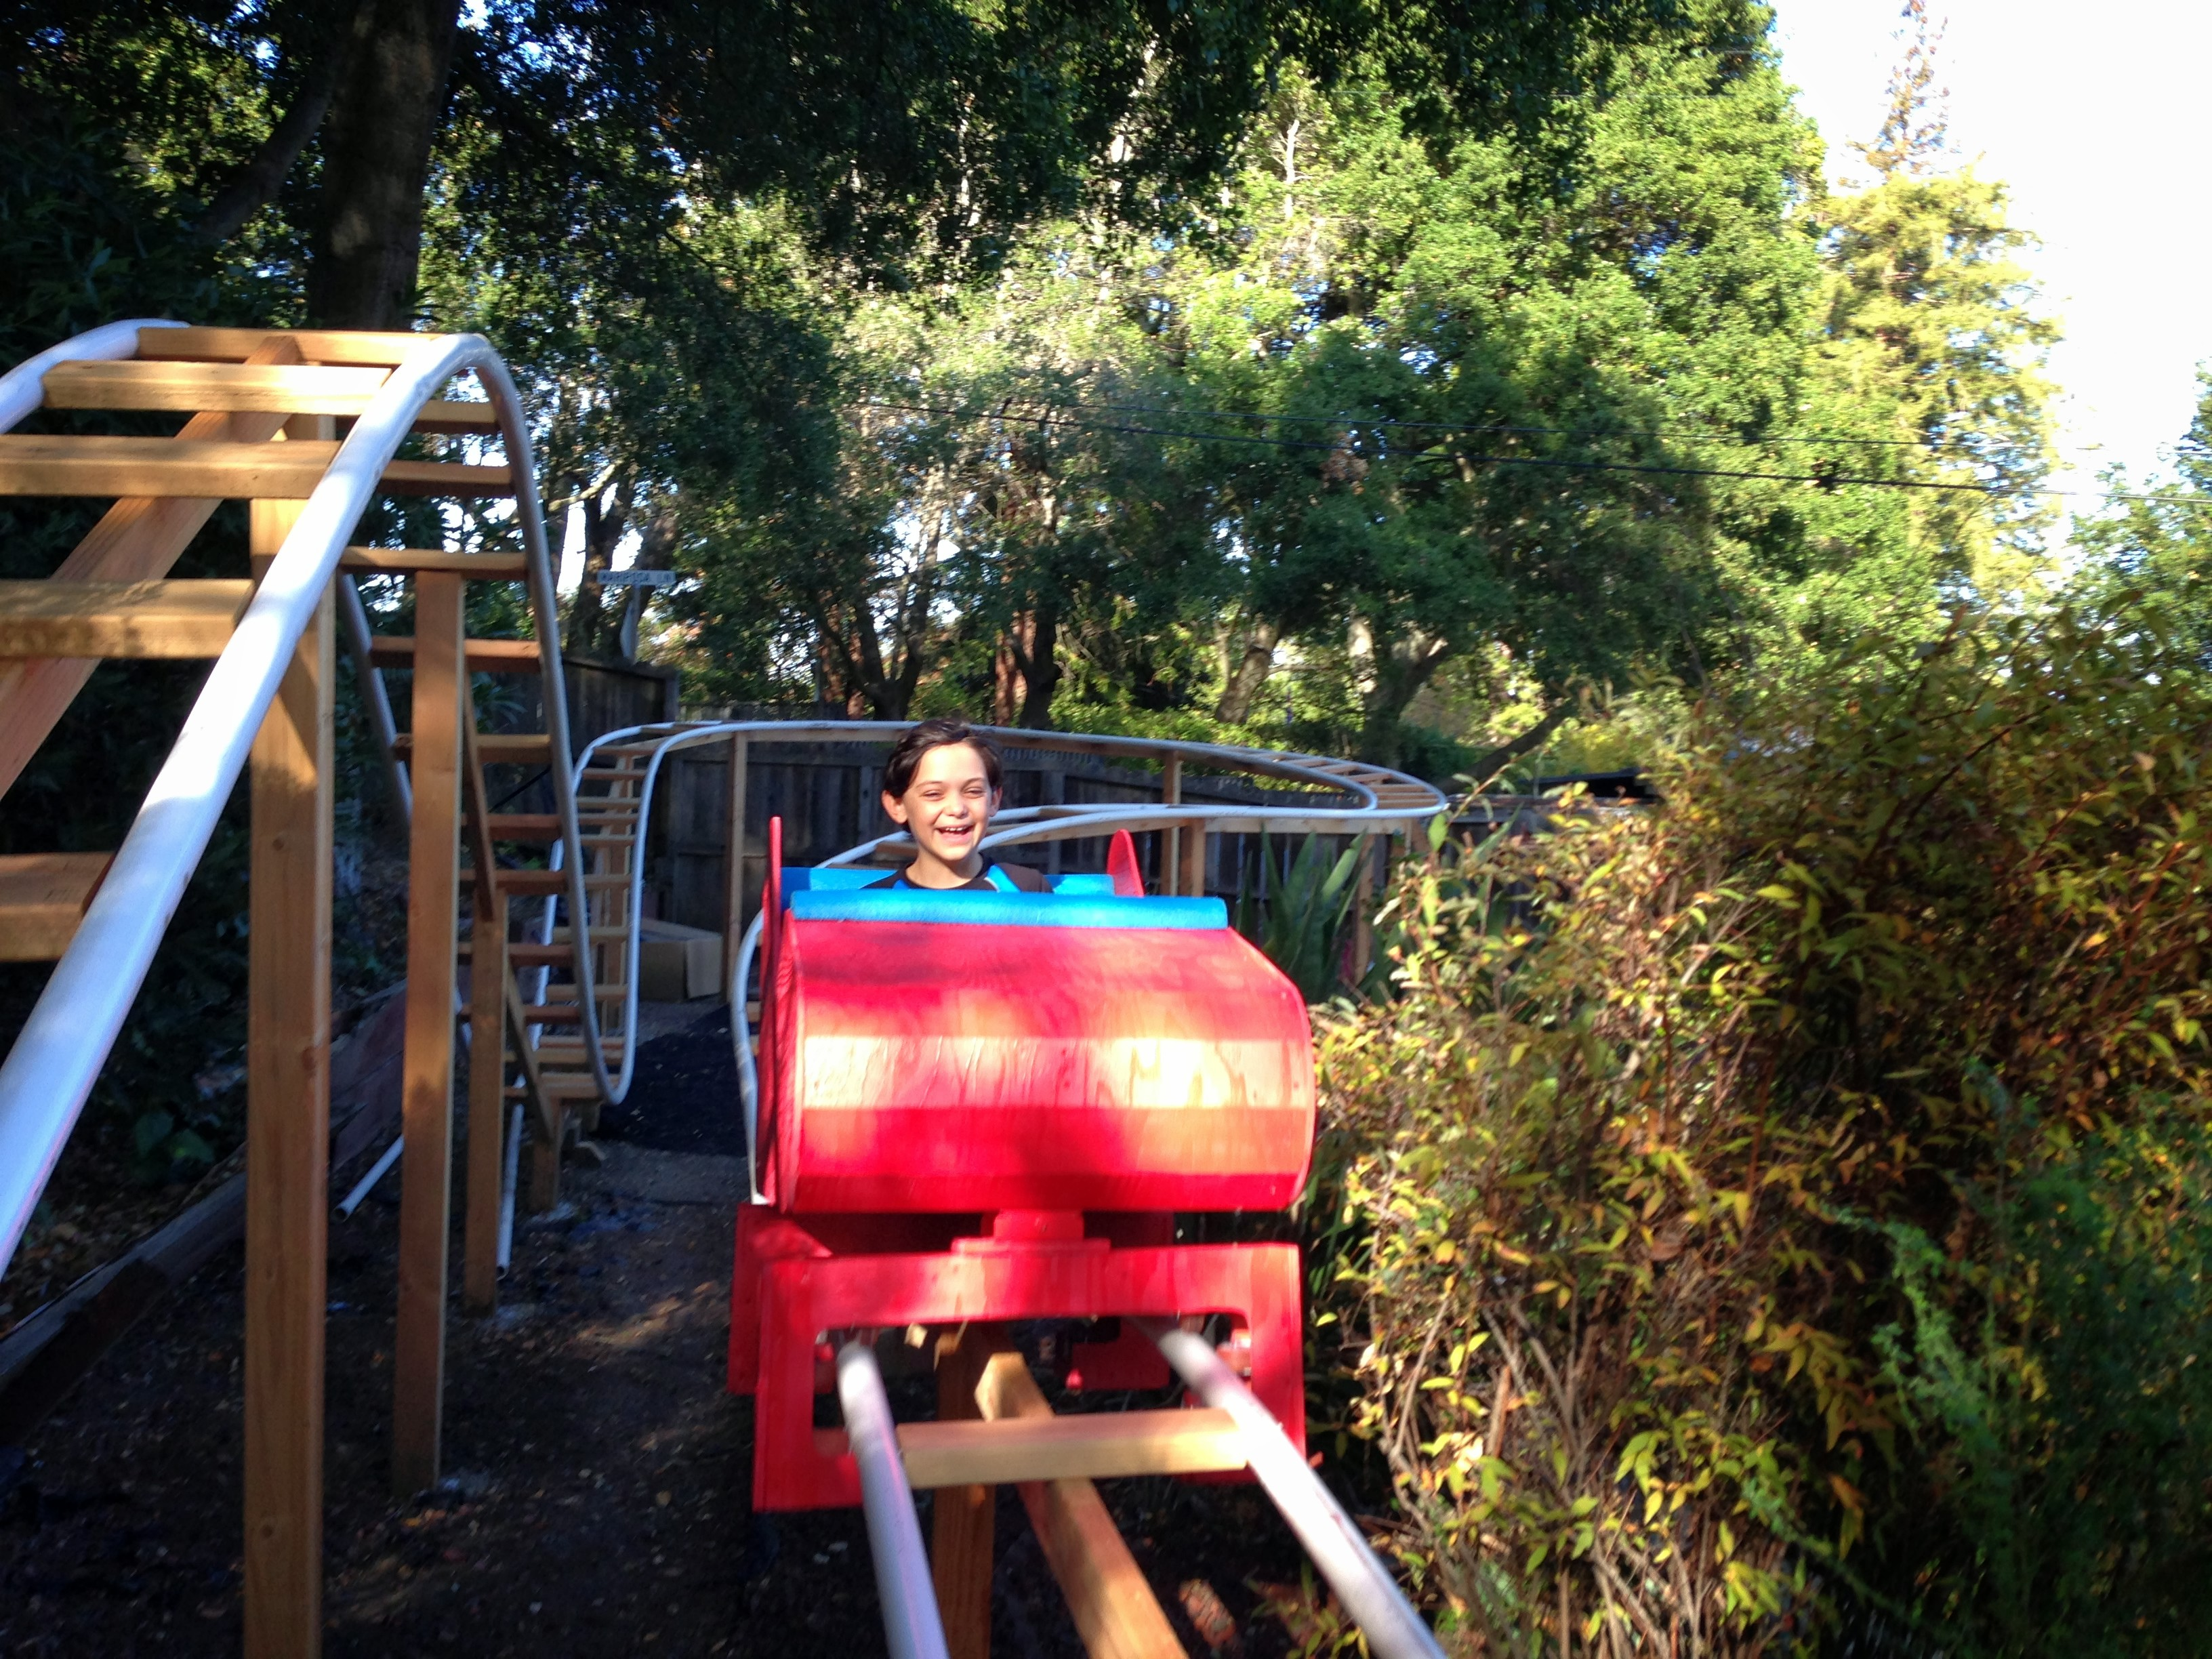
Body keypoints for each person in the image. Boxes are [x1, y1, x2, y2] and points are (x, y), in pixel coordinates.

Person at [865, 718, 1050, 891]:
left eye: (973, 791)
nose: (957, 809)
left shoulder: (1026, 888)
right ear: (898, 806)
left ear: (994, 800)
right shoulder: (872, 904)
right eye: (933, 794)